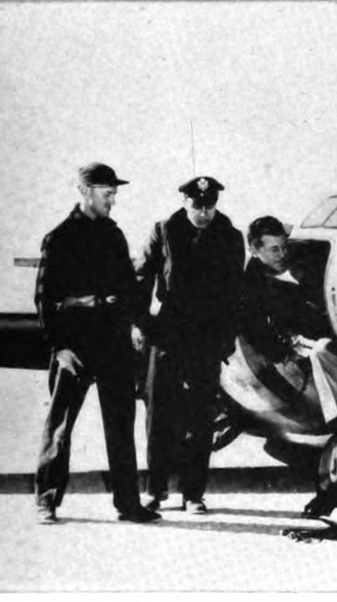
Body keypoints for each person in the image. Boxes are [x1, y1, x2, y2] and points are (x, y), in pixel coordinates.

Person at [33, 162, 160, 525]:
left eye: (114, 193)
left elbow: (129, 289)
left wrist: (137, 323)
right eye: (108, 194)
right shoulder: (58, 238)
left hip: (112, 342)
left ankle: (128, 504)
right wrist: (59, 347)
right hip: (75, 343)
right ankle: (46, 500)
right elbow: (44, 299)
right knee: (60, 426)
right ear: (86, 192)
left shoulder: (113, 236)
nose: (113, 200)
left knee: (120, 424)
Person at [238, 216, 337, 512]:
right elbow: (257, 331)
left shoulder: (306, 262)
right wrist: (286, 353)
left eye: (283, 247)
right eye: (274, 250)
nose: (282, 255)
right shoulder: (250, 286)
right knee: (322, 352)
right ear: (255, 250)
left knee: (325, 352)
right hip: (296, 349)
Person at [135, 176, 245, 514]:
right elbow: (143, 277)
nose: (204, 213)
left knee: (201, 415)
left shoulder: (230, 235)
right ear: (185, 202)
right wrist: (139, 323)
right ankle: (155, 491)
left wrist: (226, 340)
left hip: (207, 336)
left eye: (209, 206)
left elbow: (234, 292)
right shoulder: (165, 230)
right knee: (159, 413)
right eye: (197, 206)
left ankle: (193, 493)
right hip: (168, 332)